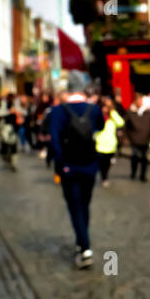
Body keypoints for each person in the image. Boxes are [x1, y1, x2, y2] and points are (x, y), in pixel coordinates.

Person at [50, 73, 104, 268]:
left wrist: (61, 163)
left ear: (68, 90)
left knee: (75, 207)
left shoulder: (57, 112)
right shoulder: (94, 109)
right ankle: (82, 241)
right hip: (89, 165)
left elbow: (55, 141)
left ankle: (85, 248)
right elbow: (100, 127)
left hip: (69, 167)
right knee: (85, 205)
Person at [117, 92, 150, 182]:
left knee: (144, 158)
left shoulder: (148, 113)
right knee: (135, 156)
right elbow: (124, 124)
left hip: (145, 139)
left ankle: (143, 175)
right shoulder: (130, 112)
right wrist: (123, 135)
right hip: (134, 138)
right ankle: (133, 173)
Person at [93, 96, 121, 186]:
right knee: (101, 163)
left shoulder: (112, 117)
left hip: (110, 144)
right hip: (99, 144)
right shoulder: (98, 116)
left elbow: (121, 122)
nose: (105, 109)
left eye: (107, 107)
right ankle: (104, 177)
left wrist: (112, 112)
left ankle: (104, 175)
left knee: (108, 163)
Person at [0, 92, 20, 170]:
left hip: (14, 128)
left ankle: (13, 163)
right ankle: (6, 159)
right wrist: (9, 111)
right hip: (5, 128)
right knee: (5, 145)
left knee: (13, 146)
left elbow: (22, 113)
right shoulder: (3, 105)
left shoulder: (16, 105)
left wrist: (16, 112)